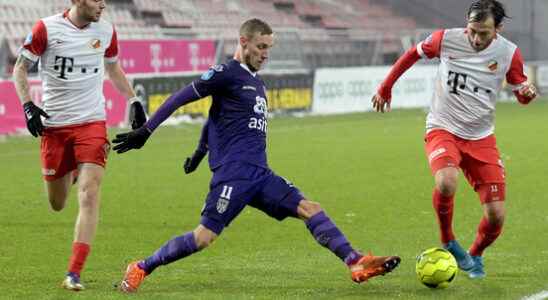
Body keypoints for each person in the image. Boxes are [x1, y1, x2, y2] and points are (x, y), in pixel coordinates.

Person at [112, 18, 400, 293]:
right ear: (244, 42)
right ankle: (140, 267)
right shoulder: (226, 74)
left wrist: (199, 152)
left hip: (261, 175)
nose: (266, 54)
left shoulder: (257, 83)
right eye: (261, 47)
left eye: (269, 48)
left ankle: (355, 261)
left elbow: (216, 118)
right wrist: (147, 130)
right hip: (234, 175)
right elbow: (180, 98)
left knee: (309, 208)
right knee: (203, 237)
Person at [371, 0, 537, 279]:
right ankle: (448, 240)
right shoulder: (446, 39)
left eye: (484, 33)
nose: (475, 38)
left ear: (499, 28)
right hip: (443, 127)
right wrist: (385, 87)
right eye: (472, 30)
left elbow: (521, 92)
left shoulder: (509, 53)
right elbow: (412, 53)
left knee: (496, 215)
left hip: (482, 137)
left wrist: (527, 94)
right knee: (447, 180)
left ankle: (475, 254)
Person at [12, 0, 146, 291]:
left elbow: (113, 69)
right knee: (57, 203)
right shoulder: (45, 29)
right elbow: (20, 69)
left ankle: (74, 272)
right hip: (55, 127)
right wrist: (27, 106)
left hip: (92, 123)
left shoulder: (107, 30)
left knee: (89, 193)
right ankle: (71, 170)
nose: (103, 4)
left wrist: (133, 99)